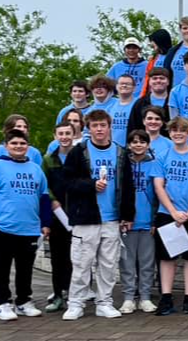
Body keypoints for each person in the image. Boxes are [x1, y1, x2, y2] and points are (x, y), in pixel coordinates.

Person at [59, 109, 130, 321]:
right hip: (86, 217)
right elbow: (66, 183)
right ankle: (76, 303)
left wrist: (127, 214)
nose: (99, 129)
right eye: (95, 126)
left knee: (108, 264)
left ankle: (104, 302)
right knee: (82, 263)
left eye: (103, 125)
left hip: (112, 218)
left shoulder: (120, 152)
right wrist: (91, 185)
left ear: (109, 127)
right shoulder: (78, 152)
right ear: (88, 128)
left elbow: (128, 186)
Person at [0, 129, 48, 321]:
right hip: (2, 228)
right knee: (1, 269)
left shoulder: (35, 169)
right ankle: (3, 303)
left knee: (25, 269)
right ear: (6, 146)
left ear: (28, 146)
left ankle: (24, 301)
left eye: (22, 143)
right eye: (14, 143)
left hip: (29, 229)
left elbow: (44, 198)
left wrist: (45, 223)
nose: (18, 147)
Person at [150, 117, 188, 316]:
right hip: (167, 214)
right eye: (174, 130)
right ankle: (166, 298)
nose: (178, 134)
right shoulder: (162, 156)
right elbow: (159, 185)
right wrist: (173, 212)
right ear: (170, 133)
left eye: (182, 130)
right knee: (167, 257)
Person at [117, 130, 162, 314]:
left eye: (142, 141)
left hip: (147, 222)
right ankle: (128, 298)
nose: (138, 145)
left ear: (148, 144)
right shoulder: (122, 165)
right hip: (127, 223)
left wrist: (154, 221)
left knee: (146, 263)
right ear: (128, 144)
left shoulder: (154, 164)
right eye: (134, 142)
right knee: (126, 263)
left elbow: (159, 194)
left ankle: (145, 297)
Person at [42, 120, 78, 313]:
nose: (64, 137)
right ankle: (57, 295)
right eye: (61, 134)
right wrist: (53, 201)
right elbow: (43, 184)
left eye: (68, 133)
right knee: (57, 257)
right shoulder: (48, 159)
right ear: (55, 136)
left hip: (77, 214)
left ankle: (73, 295)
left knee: (76, 257)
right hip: (56, 214)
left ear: (74, 134)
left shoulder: (80, 156)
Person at [128, 67, 172, 136]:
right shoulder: (140, 104)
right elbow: (133, 128)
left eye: (162, 78)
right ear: (149, 82)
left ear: (168, 82)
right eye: (154, 78)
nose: (158, 81)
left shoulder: (174, 102)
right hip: (144, 145)